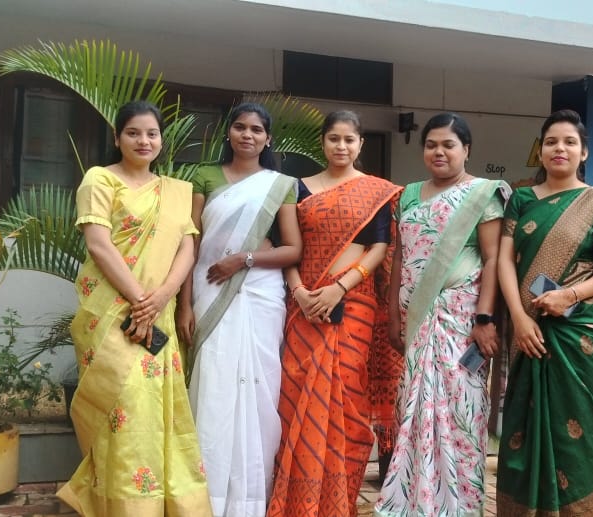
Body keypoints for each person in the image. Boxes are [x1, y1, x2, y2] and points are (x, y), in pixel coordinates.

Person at [496, 109, 593, 516]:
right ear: (541, 151)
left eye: (569, 142)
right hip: (527, 328)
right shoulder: (521, 199)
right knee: (522, 427)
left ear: (584, 152)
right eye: (551, 142)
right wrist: (519, 318)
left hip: (579, 332)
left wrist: (569, 295)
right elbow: (505, 261)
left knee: (577, 429)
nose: (559, 149)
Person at [58, 100, 211, 516]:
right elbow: (98, 244)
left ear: (161, 140)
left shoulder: (175, 191)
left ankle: (166, 503)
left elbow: (187, 248)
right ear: (117, 137)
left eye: (152, 133)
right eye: (134, 133)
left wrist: (162, 298)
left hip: (157, 314)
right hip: (113, 315)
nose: (144, 141)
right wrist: (141, 301)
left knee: (156, 411)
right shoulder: (100, 179)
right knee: (121, 408)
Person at [268, 111, 402, 517]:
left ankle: (336, 505)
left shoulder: (375, 192)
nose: (341, 146)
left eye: (349, 139)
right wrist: (300, 292)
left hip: (353, 305)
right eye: (333, 139)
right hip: (303, 307)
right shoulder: (296, 189)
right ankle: (296, 504)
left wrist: (339, 287)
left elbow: (379, 248)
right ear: (322, 142)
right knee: (295, 399)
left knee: (346, 401)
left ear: (361, 144)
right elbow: (286, 247)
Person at [375, 113, 510, 516]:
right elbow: (401, 257)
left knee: (459, 408)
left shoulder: (483, 194)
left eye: (448, 145)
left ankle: (459, 505)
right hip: (416, 320)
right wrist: (393, 316)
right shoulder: (408, 195)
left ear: (466, 150)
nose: (439, 152)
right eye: (431, 144)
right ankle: (413, 503)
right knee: (414, 409)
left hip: (461, 321)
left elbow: (492, 259)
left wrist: (484, 319)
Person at [181, 102, 301, 517]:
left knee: (259, 388)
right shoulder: (204, 176)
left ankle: (250, 499)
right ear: (228, 132)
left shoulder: (280, 184)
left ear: (268, 139)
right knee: (212, 385)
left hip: (260, 293)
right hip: (209, 291)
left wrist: (243, 259)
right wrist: (183, 306)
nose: (247, 135)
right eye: (240, 127)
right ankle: (207, 498)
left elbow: (293, 249)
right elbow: (191, 246)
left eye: (256, 129)